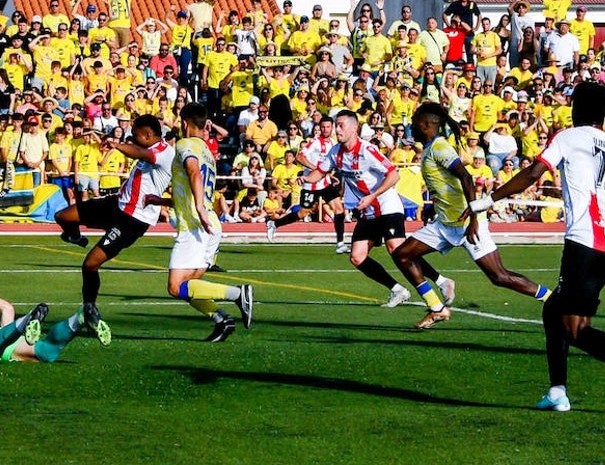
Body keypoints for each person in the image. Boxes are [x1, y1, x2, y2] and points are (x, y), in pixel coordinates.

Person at [486, 81, 605, 412]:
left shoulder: (568, 137)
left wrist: (489, 199)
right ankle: (557, 391)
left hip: (583, 243)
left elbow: (535, 172)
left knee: (575, 330)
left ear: (579, 110)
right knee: (554, 310)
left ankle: (560, 391)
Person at [391, 103, 551, 330]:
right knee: (403, 254)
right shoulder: (429, 148)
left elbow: (466, 178)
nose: (411, 126)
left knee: (499, 276)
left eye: (415, 121)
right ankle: (437, 308)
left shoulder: (439, 147)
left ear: (426, 124)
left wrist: (475, 218)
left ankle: (552, 299)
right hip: (445, 223)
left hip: (467, 223)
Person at [54, 114, 173, 340]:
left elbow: (140, 153)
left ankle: (90, 309)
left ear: (148, 135)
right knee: (63, 216)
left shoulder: (164, 152)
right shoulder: (153, 146)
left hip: (132, 220)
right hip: (116, 204)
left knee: (90, 264)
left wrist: (116, 145)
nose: (134, 140)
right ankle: (75, 238)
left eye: (136, 135)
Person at [146, 103, 252, 341]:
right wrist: (162, 201)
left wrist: (201, 210)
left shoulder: (184, 145)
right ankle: (221, 320)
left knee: (176, 287)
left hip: (195, 224)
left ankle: (237, 294)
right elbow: (192, 189)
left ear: (184, 123)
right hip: (206, 224)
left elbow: (194, 173)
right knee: (190, 285)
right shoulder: (207, 151)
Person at [297, 109, 415, 306]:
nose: (337, 130)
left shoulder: (367, 150)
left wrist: (373, 195)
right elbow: (320, 171)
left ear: (354, 128)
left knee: (397, 250)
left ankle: (436, 288)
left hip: (385, 204)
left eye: (341, 125)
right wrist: (306, 178)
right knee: (357, 257)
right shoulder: (336, 152)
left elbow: (394, 175)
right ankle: (398, 290)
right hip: (367, 210)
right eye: (336, 126)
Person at [267, 116, 349, 253]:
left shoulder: (333, 143)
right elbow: (300, 157)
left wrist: (328, 175)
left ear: (332, 128)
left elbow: (328, 164)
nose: (325, 129)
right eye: (323, 127)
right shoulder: (315, 142)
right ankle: (274, 223)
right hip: (310, 184)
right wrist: (316, 170)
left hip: (325, 183)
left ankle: (340, 243)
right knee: (302, 213)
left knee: (339, 209)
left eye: (328, 127)